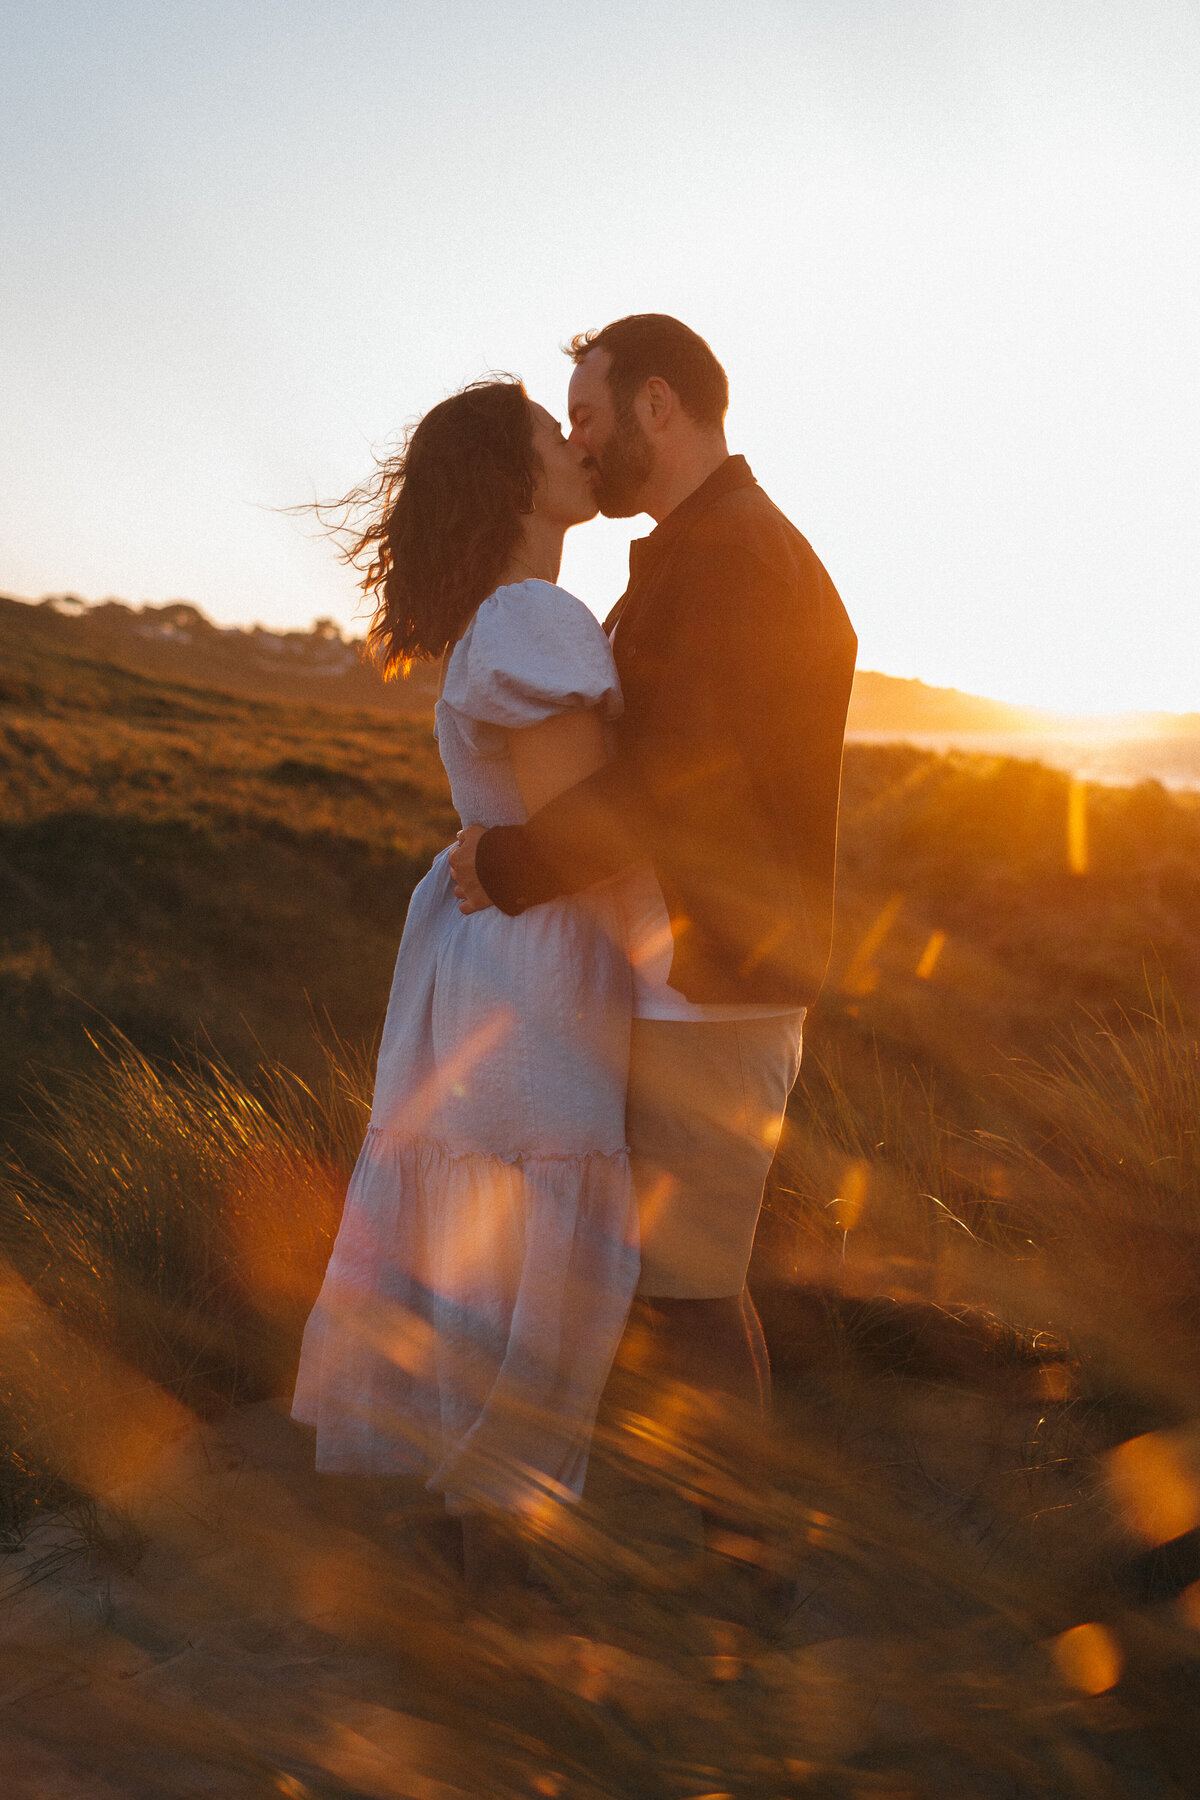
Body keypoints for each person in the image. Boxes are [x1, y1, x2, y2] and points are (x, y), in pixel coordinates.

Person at [450, 315, 857, 1446]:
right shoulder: (701, 552)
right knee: (678, 1282)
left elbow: (673, 788)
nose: (581, 442)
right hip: (689, 975)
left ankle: (746, 1574)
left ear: (659, 407)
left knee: (691, 1294)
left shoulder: (735, 559)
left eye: (589, 414)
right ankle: (716, 1552)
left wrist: (510, 864)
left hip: (716, 982)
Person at [292, 379, 640, 1602]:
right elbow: (587, 825)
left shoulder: (503, 619)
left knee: (488, 1259)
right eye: (556, 432)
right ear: (515, 479)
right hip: (541, 965)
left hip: (492, 960)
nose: (578, 442)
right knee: (528, 1262)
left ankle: (469, 1562)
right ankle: (500, 1581)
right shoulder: (533, 616)